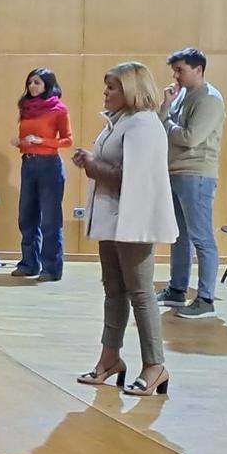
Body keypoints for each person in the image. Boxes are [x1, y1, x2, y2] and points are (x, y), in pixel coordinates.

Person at [73, 62, 177, 397]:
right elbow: (113, 165)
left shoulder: (144, 124)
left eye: (112, 87)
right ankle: (110, 359)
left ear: (131, 89)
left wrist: (92, 165)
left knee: (141, 293)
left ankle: (155, 365)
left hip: (135, 221)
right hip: (113, 220)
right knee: (114, 291)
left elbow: (128, 177)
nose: (105, 92)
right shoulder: (119, 122)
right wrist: (91, 160)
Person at [154, 48, 226, 320]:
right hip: (175, 171)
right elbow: (163, 125)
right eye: (175, 70)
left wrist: (167, 121)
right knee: (179, 236)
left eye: (180, 70)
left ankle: (206, 299)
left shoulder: (210, 99)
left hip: (197, 175)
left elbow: (190, 138)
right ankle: (176, 290)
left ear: (198, 69)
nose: (176, 76)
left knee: (201, 238)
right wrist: (166, 106)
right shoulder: (182, 94)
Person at [9, 68, 72, 281]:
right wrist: (20, 142)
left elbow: (67, 140)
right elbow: (28, 137)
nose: (32, 86)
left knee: (50, 220)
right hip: (28, 164)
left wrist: (41, 141)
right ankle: (29, 263)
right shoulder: (26, 108)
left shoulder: (58, 109)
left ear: (47, 85)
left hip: (49, 166)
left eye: (37, 82)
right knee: (26, 216)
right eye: (30, 82)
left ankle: (51, 268)